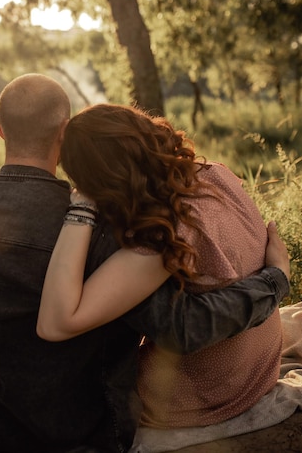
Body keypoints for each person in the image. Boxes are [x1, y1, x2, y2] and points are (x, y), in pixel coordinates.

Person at [0, 75, 289, 453]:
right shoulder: (114, 231)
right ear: (63, 132)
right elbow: (181, 324)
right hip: (77, 429)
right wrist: (273, 280)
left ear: (0, 130)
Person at [37, 102, 290, 431]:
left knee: (59, 380)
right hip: (260, 368)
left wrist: (82, 204)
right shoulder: (215, 174)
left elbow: (56, 323)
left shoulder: (162, 240)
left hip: (209, 395)